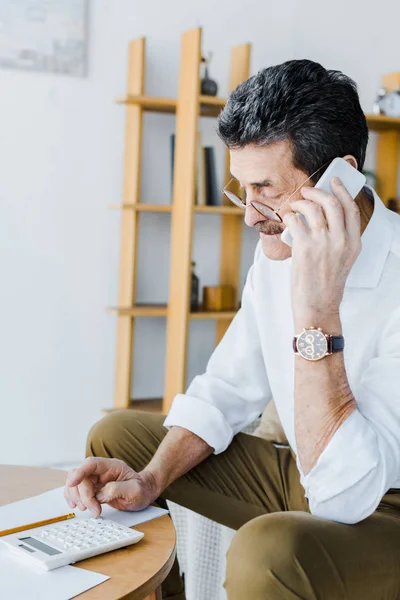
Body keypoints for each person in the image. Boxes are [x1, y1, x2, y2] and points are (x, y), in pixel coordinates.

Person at [64, 60, 400, 599]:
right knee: (119, 437)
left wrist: (317, 310)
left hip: (381, 502)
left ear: (340, 178)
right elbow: (228, 388)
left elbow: (346, 495)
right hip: (307, 475)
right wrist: (150, 480)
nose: (249, 217)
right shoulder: (280, 253)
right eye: (242, 190)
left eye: (265, 189)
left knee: (265, 550)